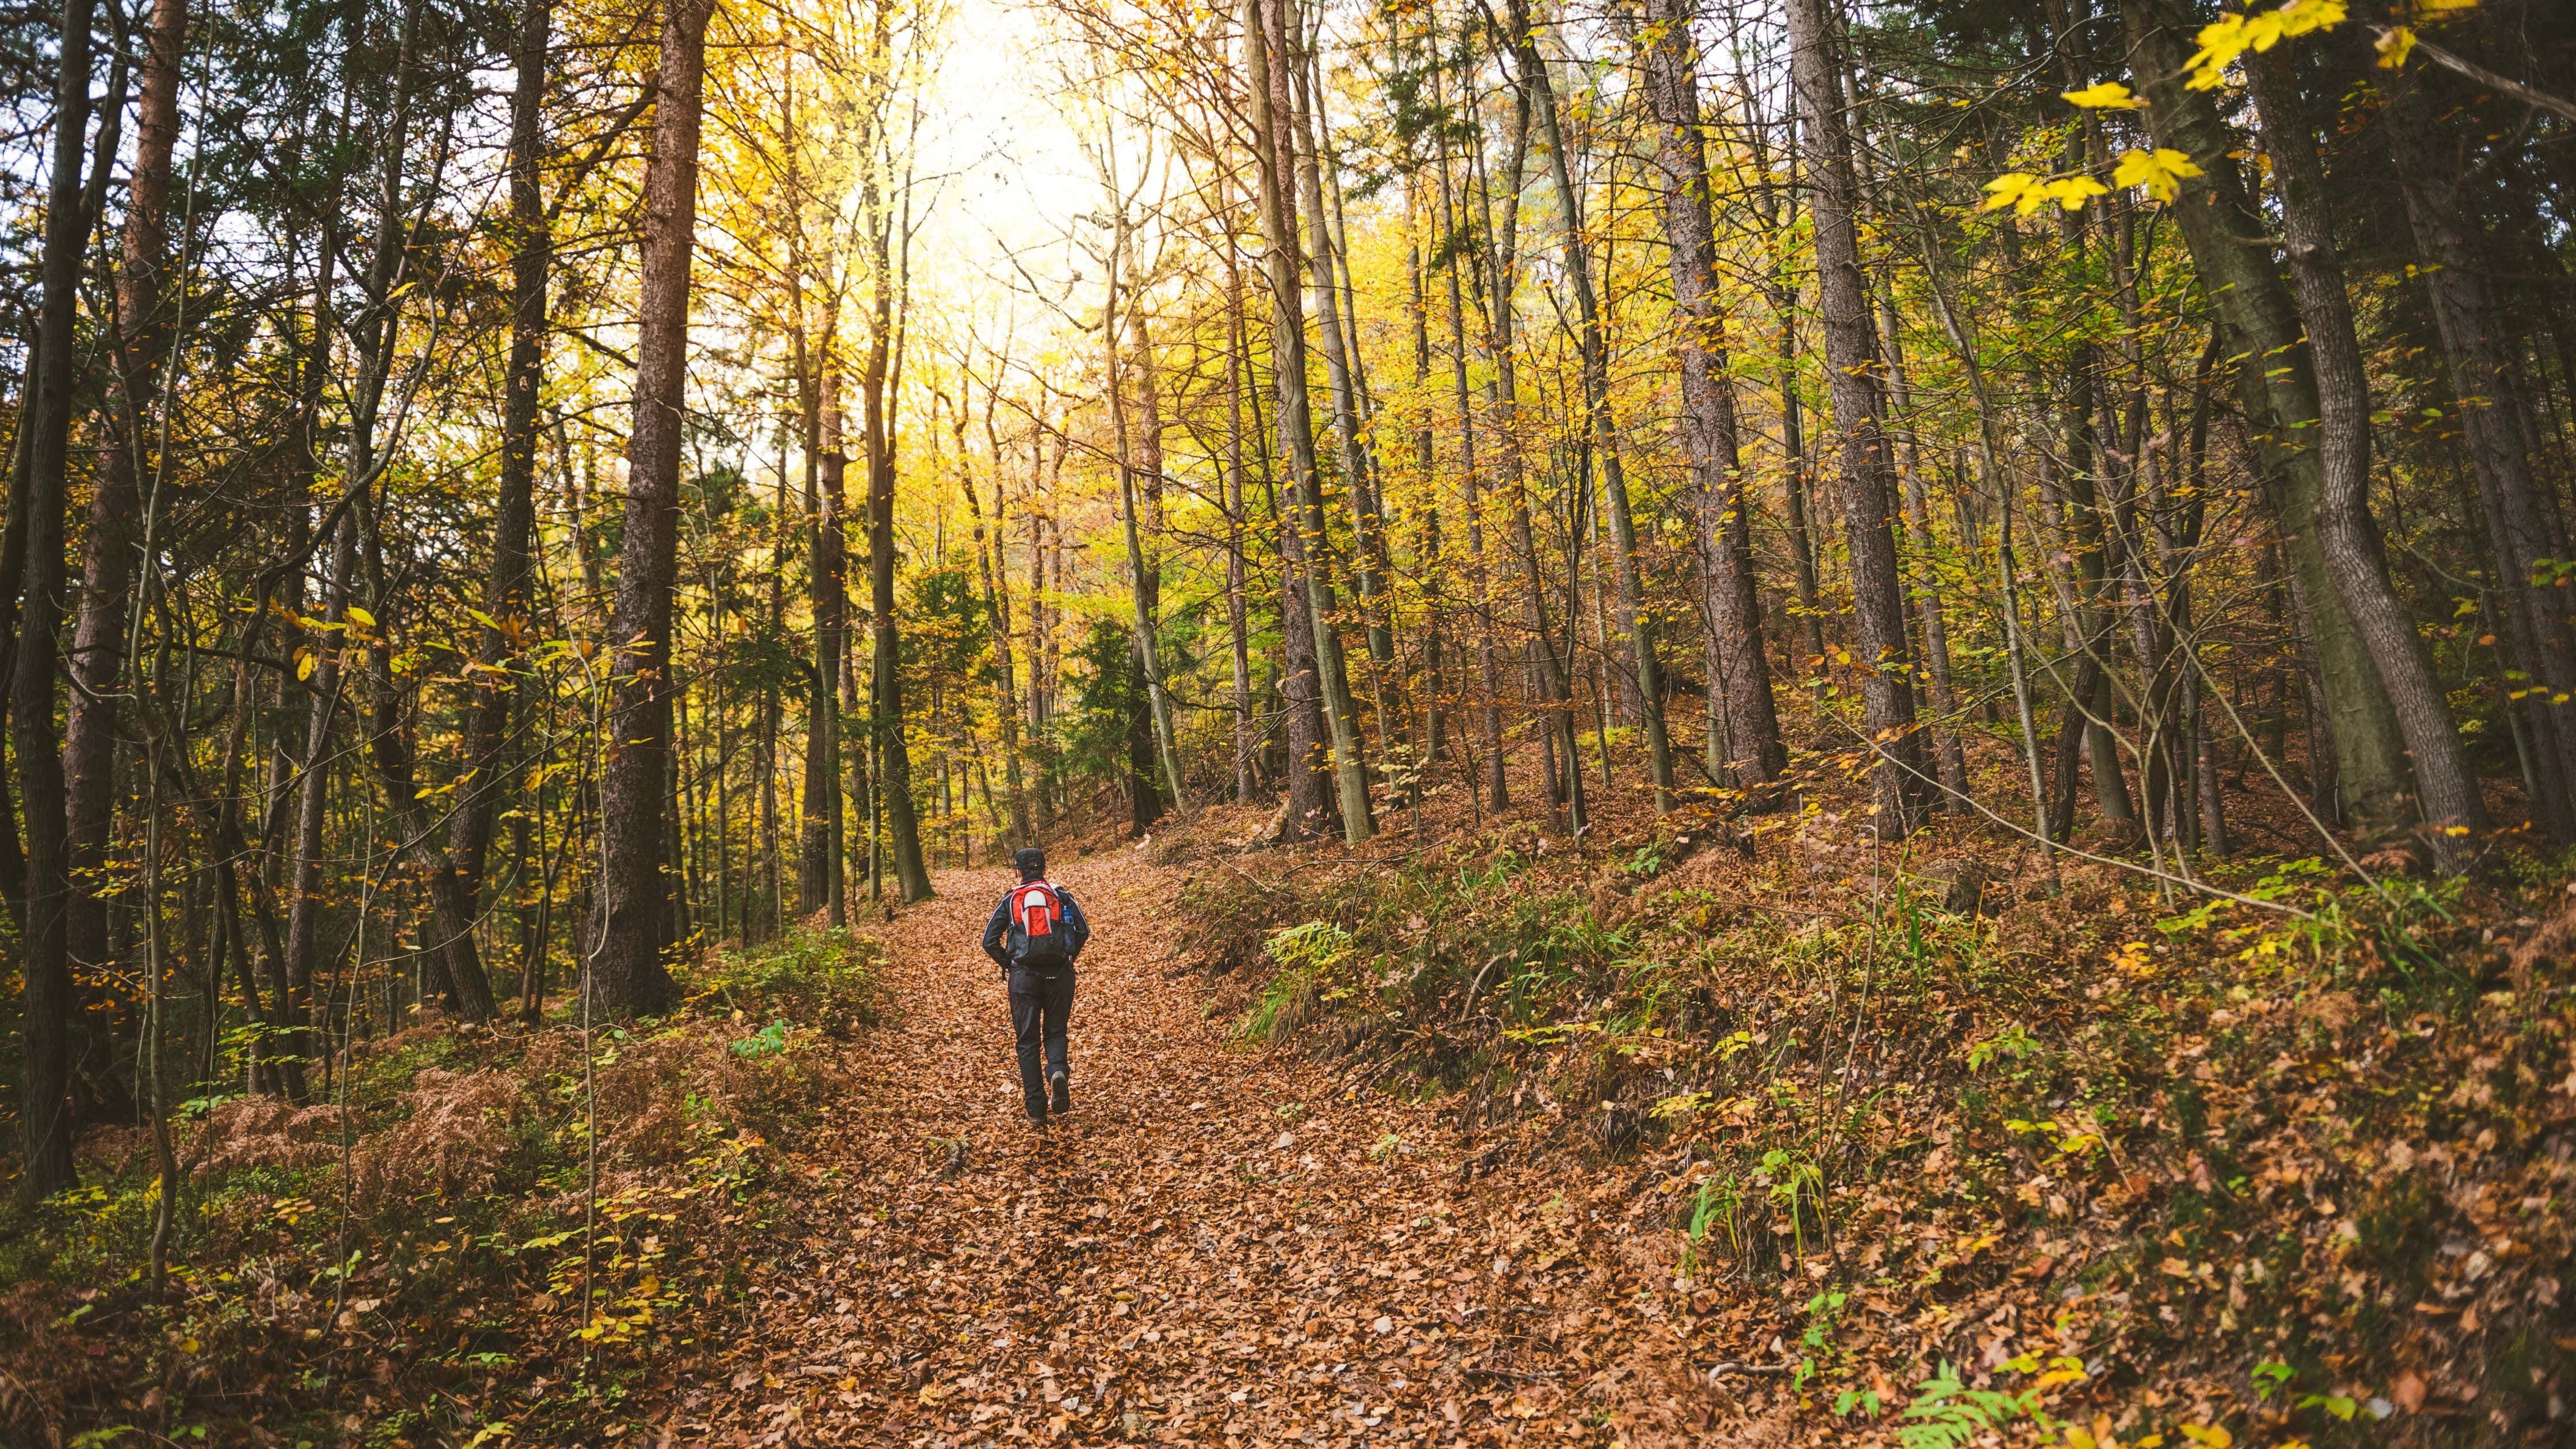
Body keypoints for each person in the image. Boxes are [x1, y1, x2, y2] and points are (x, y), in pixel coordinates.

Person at [981, 847, 1090, 1126]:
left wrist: (1009, 964)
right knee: (1056, 1031)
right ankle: (1057, 1071)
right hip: (1060, 975)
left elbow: (988, 941)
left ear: (1018, 871)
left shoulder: (1011, 899)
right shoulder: (1061, 895)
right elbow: (1083, 930)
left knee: (1027, 1042)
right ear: (1043, 868)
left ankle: (1036, 1111)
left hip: (1024, 977)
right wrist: (1067, 958)